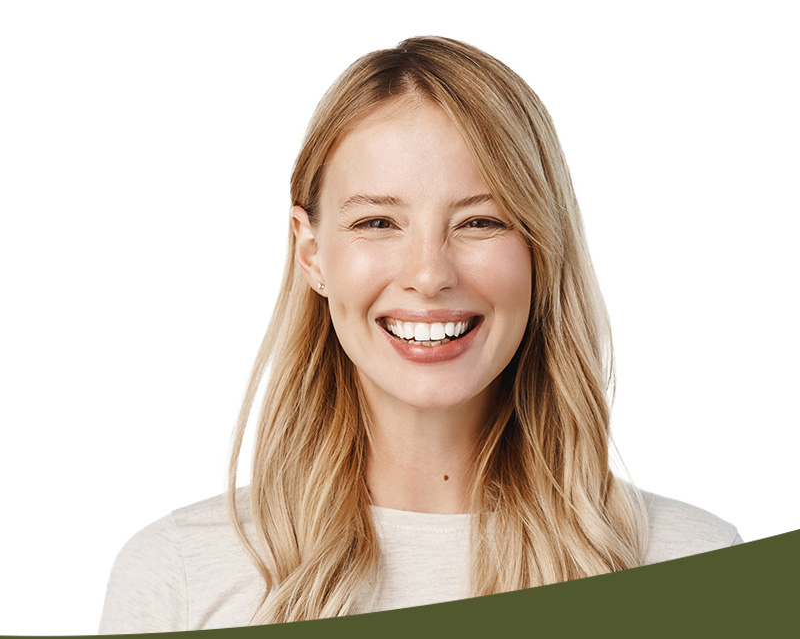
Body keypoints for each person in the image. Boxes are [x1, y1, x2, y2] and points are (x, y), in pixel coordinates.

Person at [99, 36, 741, 633]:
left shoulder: (698, 566)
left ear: (542, 251)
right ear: (311, 253)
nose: (430, 274)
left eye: (481, 222)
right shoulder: (177, 577)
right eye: (378, 222)